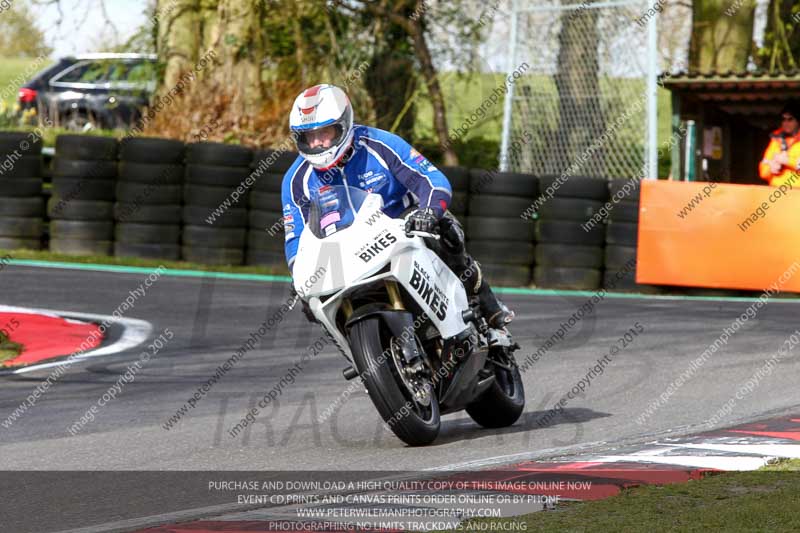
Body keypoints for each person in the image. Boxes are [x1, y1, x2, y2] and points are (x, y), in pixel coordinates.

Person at [281, 84, 514, 328]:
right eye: (309, 136)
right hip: (344, 246)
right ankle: (359, 354)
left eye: (325, 132)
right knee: (313, 304)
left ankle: (485, 300)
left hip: (400, 222)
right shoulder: (296, 180)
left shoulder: (380, 144)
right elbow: (296, 237)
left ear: (344, 124)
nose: (317, 143)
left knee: (445, 231)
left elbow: (433, 180)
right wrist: (299, 273)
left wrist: (429, 212)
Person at [759, 100, 800, 187]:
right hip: (775, 193)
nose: (786, 123)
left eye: (790, 119)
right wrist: (771, 168)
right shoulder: (775, 141)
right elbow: (763, 171)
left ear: (798, 121)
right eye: (783, 119)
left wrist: (788, 161)